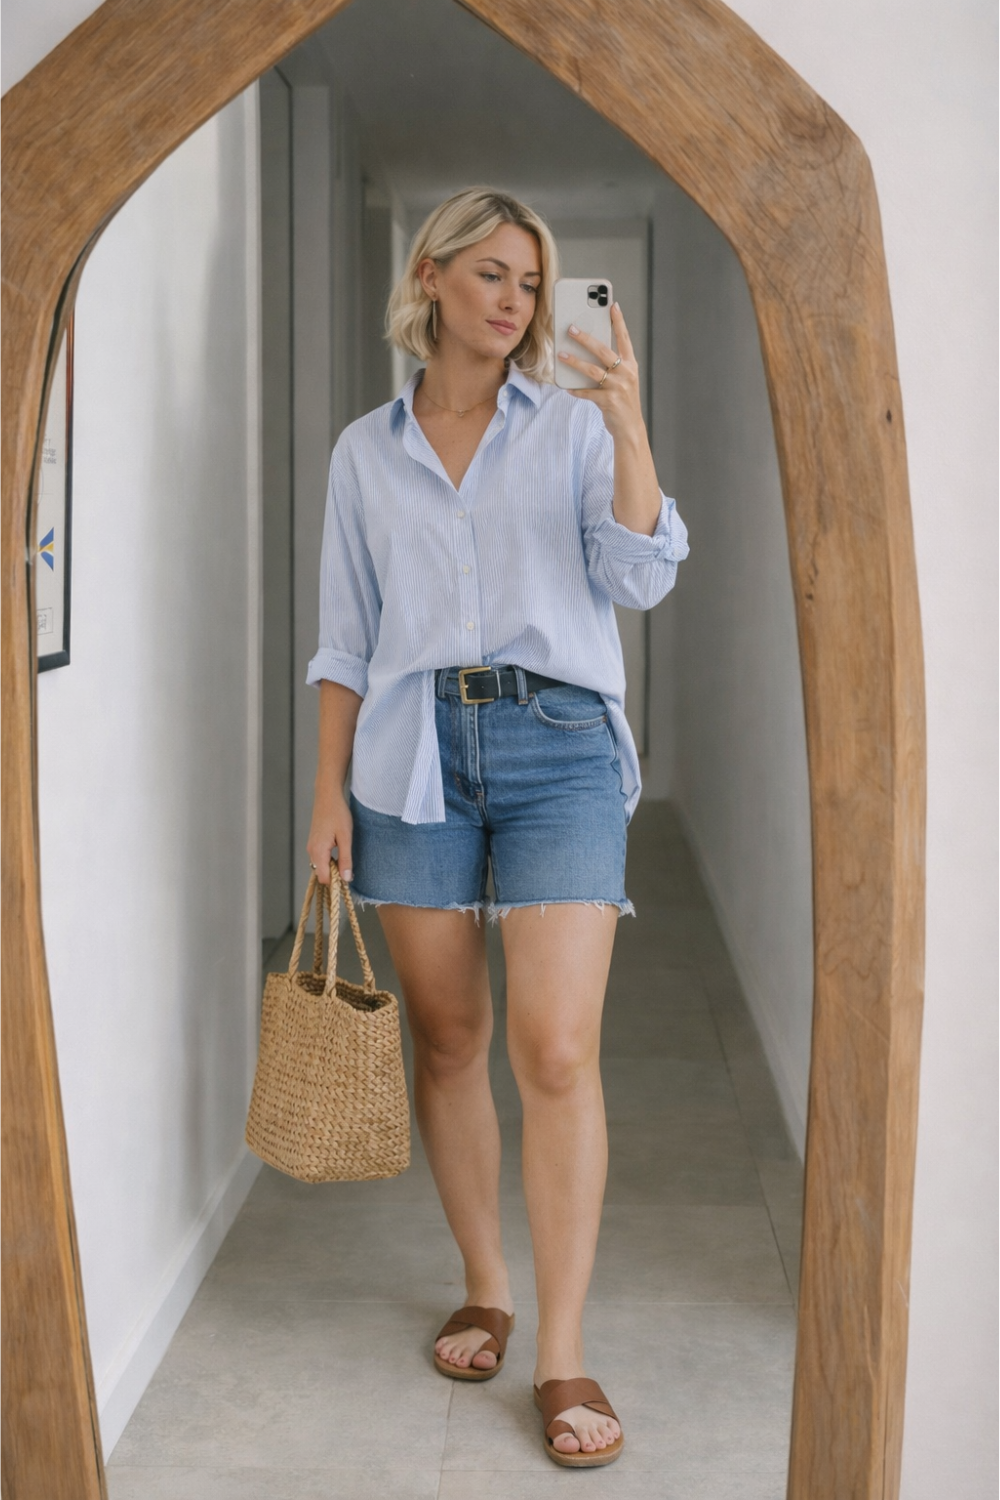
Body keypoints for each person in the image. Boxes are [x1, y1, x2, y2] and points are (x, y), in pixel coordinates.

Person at [306, 187, 688, 1468]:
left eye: (531, 281)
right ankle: (486, 1286)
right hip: (409, 757)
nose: (517, 301)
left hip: (559, 748)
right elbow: (345, 640)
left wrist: (627, 422)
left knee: (557, 1050)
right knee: (452, 1036)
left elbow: (639, 577)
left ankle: (563, 1351)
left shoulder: (572, 427)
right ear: (430, 277)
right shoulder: (365, 453)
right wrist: (326, 795)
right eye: (491, 274)